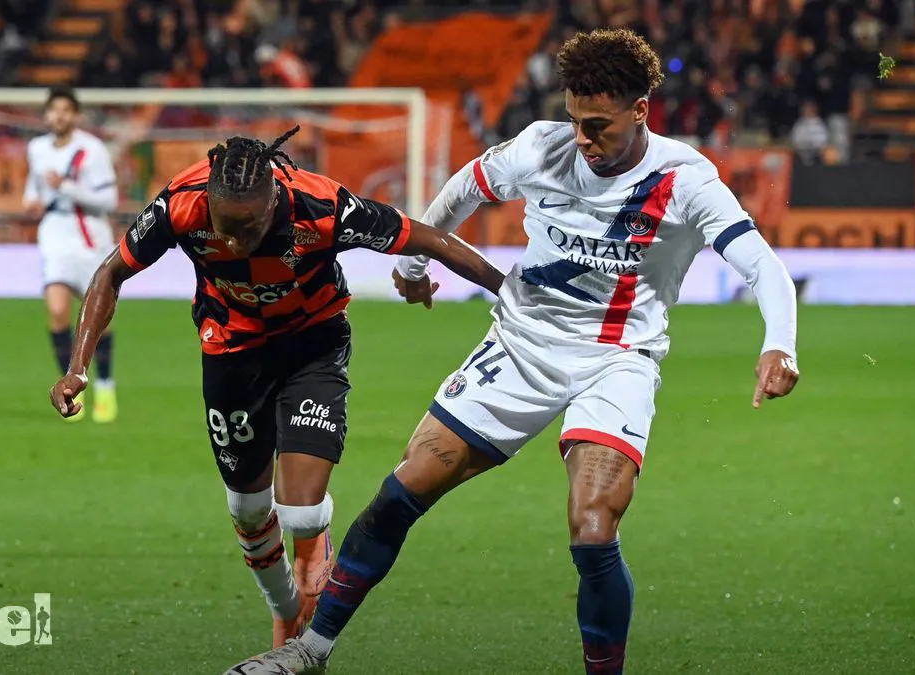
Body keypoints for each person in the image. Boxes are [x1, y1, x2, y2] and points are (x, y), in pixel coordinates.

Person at [228, 28, 800, 675]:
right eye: (575, 120)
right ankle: (311, 651)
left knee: (592, 524)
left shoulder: (687, 179)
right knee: (400, 493)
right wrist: (417, 264)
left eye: (599, 125)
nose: (583, 139)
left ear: (641, 111)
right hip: (520, 346)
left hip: (616, 360)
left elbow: (761, 264)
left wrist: (779, 343)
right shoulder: (541, 148)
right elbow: (467, 186)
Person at [48, 127, 504, 649]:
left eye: (252, 225)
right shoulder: (181, 204)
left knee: (302, 511)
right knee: (246, 511)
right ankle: (284, 610)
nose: (238, 240)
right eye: (228, 226)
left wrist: (506, 290)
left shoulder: (323, 205)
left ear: (273, 200)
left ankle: (307, 568)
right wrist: (78, 367)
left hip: (312, 344)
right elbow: (111, 274)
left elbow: (430, 237)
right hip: (232, 351)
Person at [25, 86, 120, 423]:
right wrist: (32, 201)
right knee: (56, 310)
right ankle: (67, 390)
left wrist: (66, 187)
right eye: (53, 110)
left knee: (97, 319)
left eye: (66, 110)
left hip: (89, 235)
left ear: (76, 115)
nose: (59, 116)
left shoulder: (91, 150)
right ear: (46, 115)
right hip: (55, 233)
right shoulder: (36, 149)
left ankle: (105, 385)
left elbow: (109, 201)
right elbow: (33, 190)